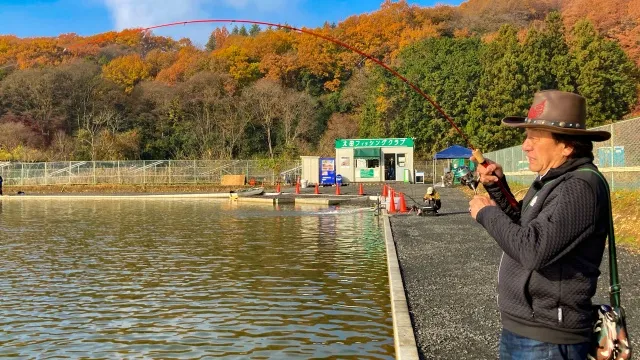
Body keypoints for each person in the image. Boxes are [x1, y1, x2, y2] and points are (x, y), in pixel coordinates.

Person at [468, 90, 612, 359]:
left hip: (548, 338)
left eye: (534, 138)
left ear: (566, 146)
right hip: (526, 329)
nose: (525, 146)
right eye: (526, 137)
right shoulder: (552, 179)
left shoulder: (580, 187)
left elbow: (533, 250)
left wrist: (487, 214)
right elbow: (524, 226)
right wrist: (497, 186)